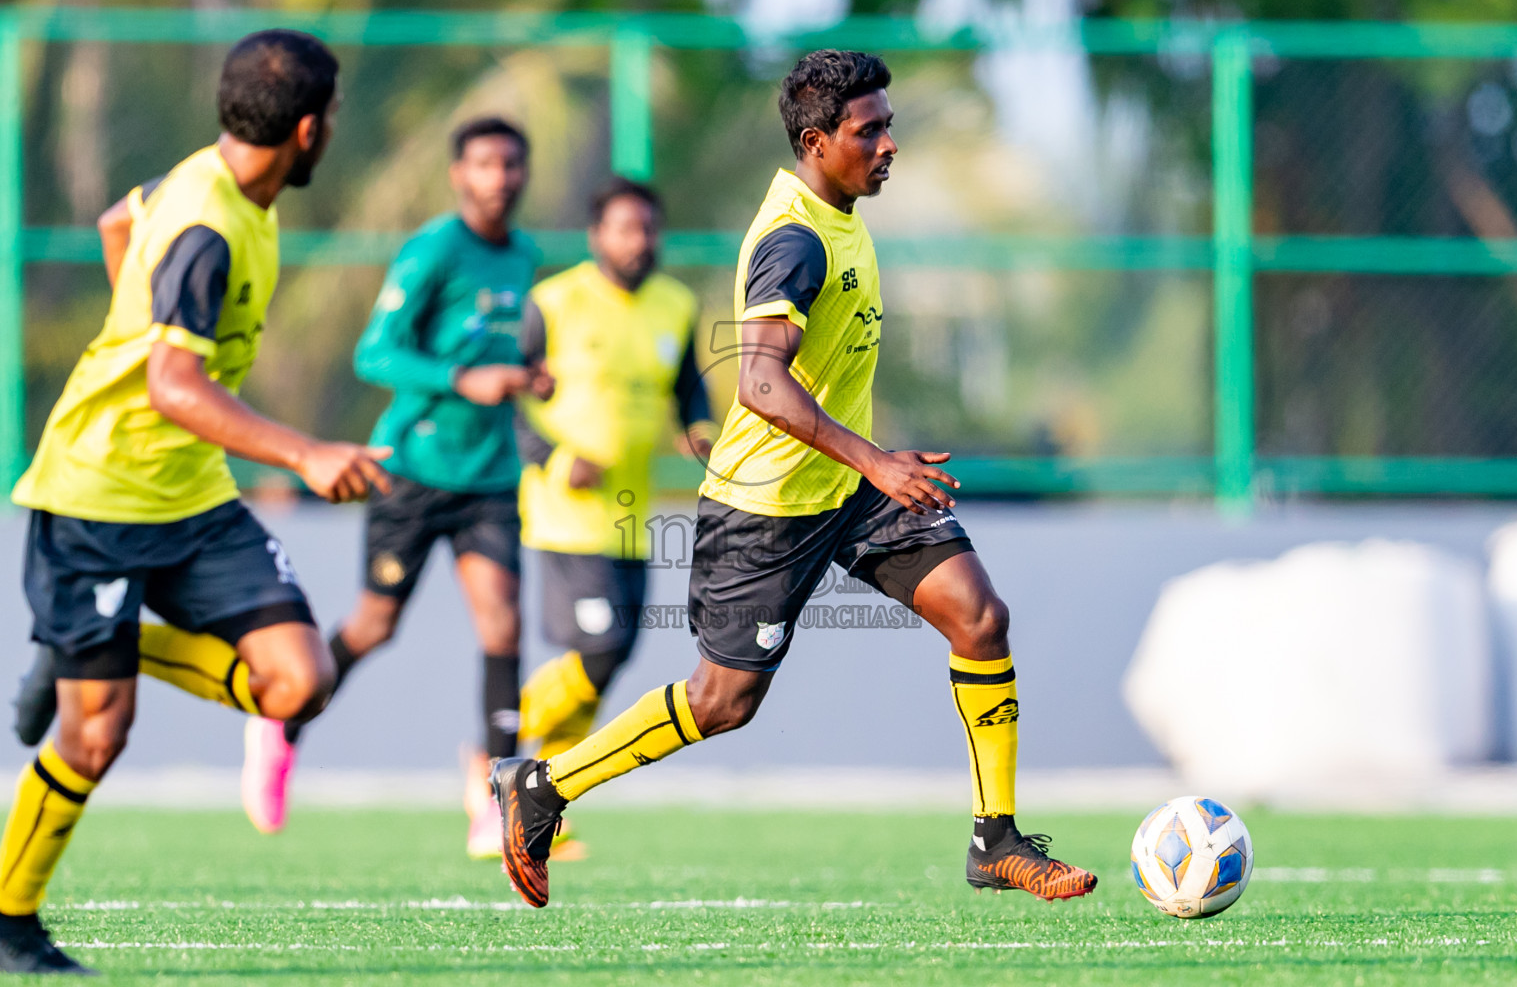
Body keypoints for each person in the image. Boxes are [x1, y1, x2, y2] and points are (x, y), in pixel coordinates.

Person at [489, 50, 1098, 909]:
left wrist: (868, 471)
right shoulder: (795, 238)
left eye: (889, 124)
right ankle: (543, 785)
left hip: (843, 490)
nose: (889, 144)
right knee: (722, 701)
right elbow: (760, 381)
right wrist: (877, 459)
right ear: (816, 140)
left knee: (979, 615)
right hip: (766, 506)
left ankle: (994, 840)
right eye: (869, 130)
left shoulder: (839, 211)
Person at [0, 30, 387, 974]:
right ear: (308, 129)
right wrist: (302, 452)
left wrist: (131, 322)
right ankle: (9, 916)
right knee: (96, 736)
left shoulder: (209, 181)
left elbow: (112, 225)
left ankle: (94, 642)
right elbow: (175, 387)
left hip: (190, 499)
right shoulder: (210, 224)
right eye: (330, 118)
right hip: (98, 496)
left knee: (297, 682)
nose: (329, 130)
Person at [239, 116, 551, 857]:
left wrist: (528, 381)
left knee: (503, 626)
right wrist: (460, 379)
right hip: (411, 471)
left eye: (512, 164)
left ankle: (494, 796)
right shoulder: (437, 247)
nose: (500, 177)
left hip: (489, 477)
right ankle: (282, 722)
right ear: (458, 174)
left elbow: (501, 351)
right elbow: (374, 352)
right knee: (375, 625)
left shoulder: (527, 256)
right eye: (484, 164)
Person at [514, 177, 715, 859]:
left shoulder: (674, 304)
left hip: (633, 510)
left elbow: (690, 389)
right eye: (626, 228)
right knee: (598, 651)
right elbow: (510, 398)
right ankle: (502, 742)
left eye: (649, 228)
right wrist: (554, 456)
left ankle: (541, 799)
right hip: (567, 512)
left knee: (615, 653)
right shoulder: (554, 302)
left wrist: (704, 435)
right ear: (597, 234)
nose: (640, 241)